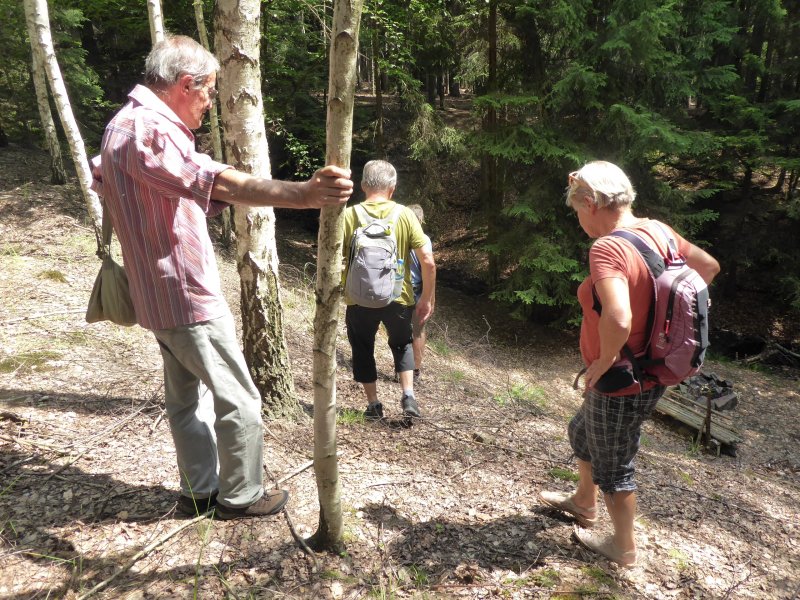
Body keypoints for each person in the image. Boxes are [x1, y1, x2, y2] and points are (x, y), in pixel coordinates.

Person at [90, 35, 353, 520]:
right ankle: (241, 495)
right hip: (184, 294)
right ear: (186, 85)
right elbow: (216, 180)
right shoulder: (147, 130)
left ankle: (199, 491)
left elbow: (106, 176)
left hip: (155, 294)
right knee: (239, 398)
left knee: (187, 401)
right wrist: (304, 193)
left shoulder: (120, 125)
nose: (209, 103)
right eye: (209, 91)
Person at [539, 161, 719, 566]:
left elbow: (619, 316)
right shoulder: (658, 230)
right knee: (582, 430)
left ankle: (623, 548)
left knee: (615, 464)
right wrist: (666, 323)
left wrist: (604, 360)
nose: (579, 219)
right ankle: (584, 502)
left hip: (622, 376)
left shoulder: (608, 247)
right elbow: (707, 268)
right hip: (650, 369)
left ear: (591, 203)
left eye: (577, 210)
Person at [342, 161, 435, 423]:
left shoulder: (349, 215)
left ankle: (373, 404)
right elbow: (427, 260)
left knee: (362, 347)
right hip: (398, 296)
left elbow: (333, 255)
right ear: (392, 189)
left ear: (362, 186)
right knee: (402, 343)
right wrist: (427, 297)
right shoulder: (405, 215)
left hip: (358, 299)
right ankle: (408, 396)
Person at [406, 204, 434, 382]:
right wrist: (429, 298)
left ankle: (402, 369)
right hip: (417, 289)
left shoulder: (398, 236)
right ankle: (415, 370)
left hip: (398, 290)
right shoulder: (424, 239)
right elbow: (429, 268)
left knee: (399, 331)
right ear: (421, 220)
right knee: (418, 331)